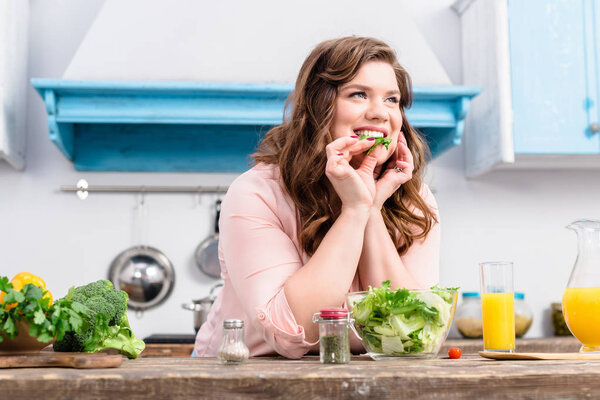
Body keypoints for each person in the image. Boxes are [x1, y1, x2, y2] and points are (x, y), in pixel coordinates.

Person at [193, 36, 440, 359]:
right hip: (239, 374)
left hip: (351, 377)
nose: (381, 113)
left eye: (392, 99)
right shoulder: (258, 193)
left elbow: (405, 333)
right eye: (359, 94)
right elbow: (292, 332)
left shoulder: (411, 197)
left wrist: (372, 210)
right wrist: (354, 210)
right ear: (319, 106)